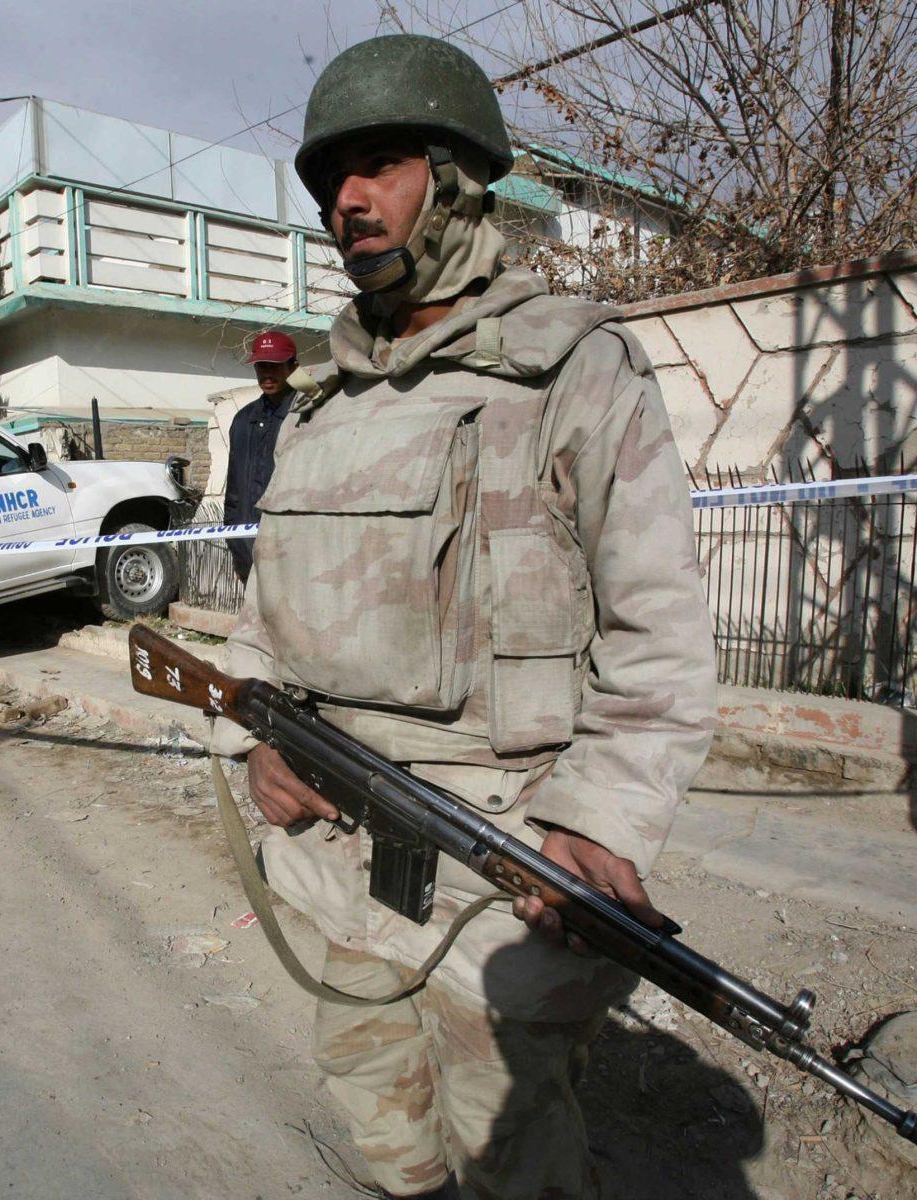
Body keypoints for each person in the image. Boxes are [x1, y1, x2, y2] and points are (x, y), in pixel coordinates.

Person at [210, 33, 717, 1200]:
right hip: (334, 857)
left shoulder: (571, 368)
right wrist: (252, 747)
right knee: (374, 1107)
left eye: (377, 163)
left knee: (508, 1137)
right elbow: (260, 627)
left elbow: (658, 637)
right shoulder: (318, 408)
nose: (345, 199)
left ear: (456, 174)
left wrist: (599, 824)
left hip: (502, 863)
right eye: (331, 179)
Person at [222, 330, 299, 582]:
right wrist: (235, 544)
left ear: (293, 367)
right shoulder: (244, 420)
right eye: (261, 366)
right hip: (248, 549)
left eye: (275, 366)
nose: (267, 374)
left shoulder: (305, 416)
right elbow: (234, 491)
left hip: (291, 548)